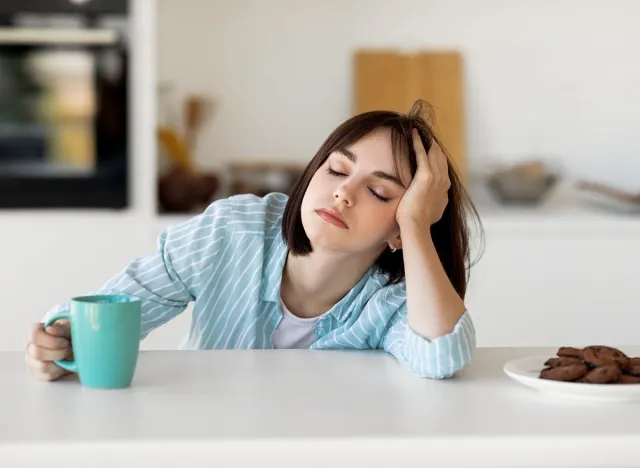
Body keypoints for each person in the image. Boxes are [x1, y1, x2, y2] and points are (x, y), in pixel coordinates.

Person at [25, 100, 482, 381]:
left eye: (380, 191)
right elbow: (111, 310)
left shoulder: (393, 299)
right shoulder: (234, 230)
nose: (344, 192)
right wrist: (62, 340)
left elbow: (441, 354)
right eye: (337, 170)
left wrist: (418, 227)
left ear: (401, 224)